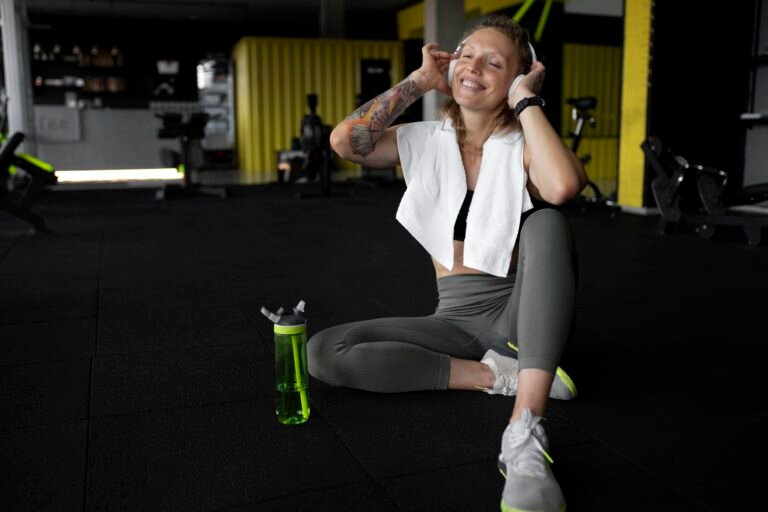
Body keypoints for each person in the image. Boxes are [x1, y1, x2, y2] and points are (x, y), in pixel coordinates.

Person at [309, 14, 586, 512]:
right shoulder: (424, 140)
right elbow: (345, 142)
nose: (473, 66)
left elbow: (564, 187)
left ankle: (524, 435)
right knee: (326, 350)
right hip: (453, 321)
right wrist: (418, 81)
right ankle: (496, 376)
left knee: (546, 225)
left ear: (516, 79)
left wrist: (527, 101)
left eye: (494, 62)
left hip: (516, 313)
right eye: (466, 53)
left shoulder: (524, 147)